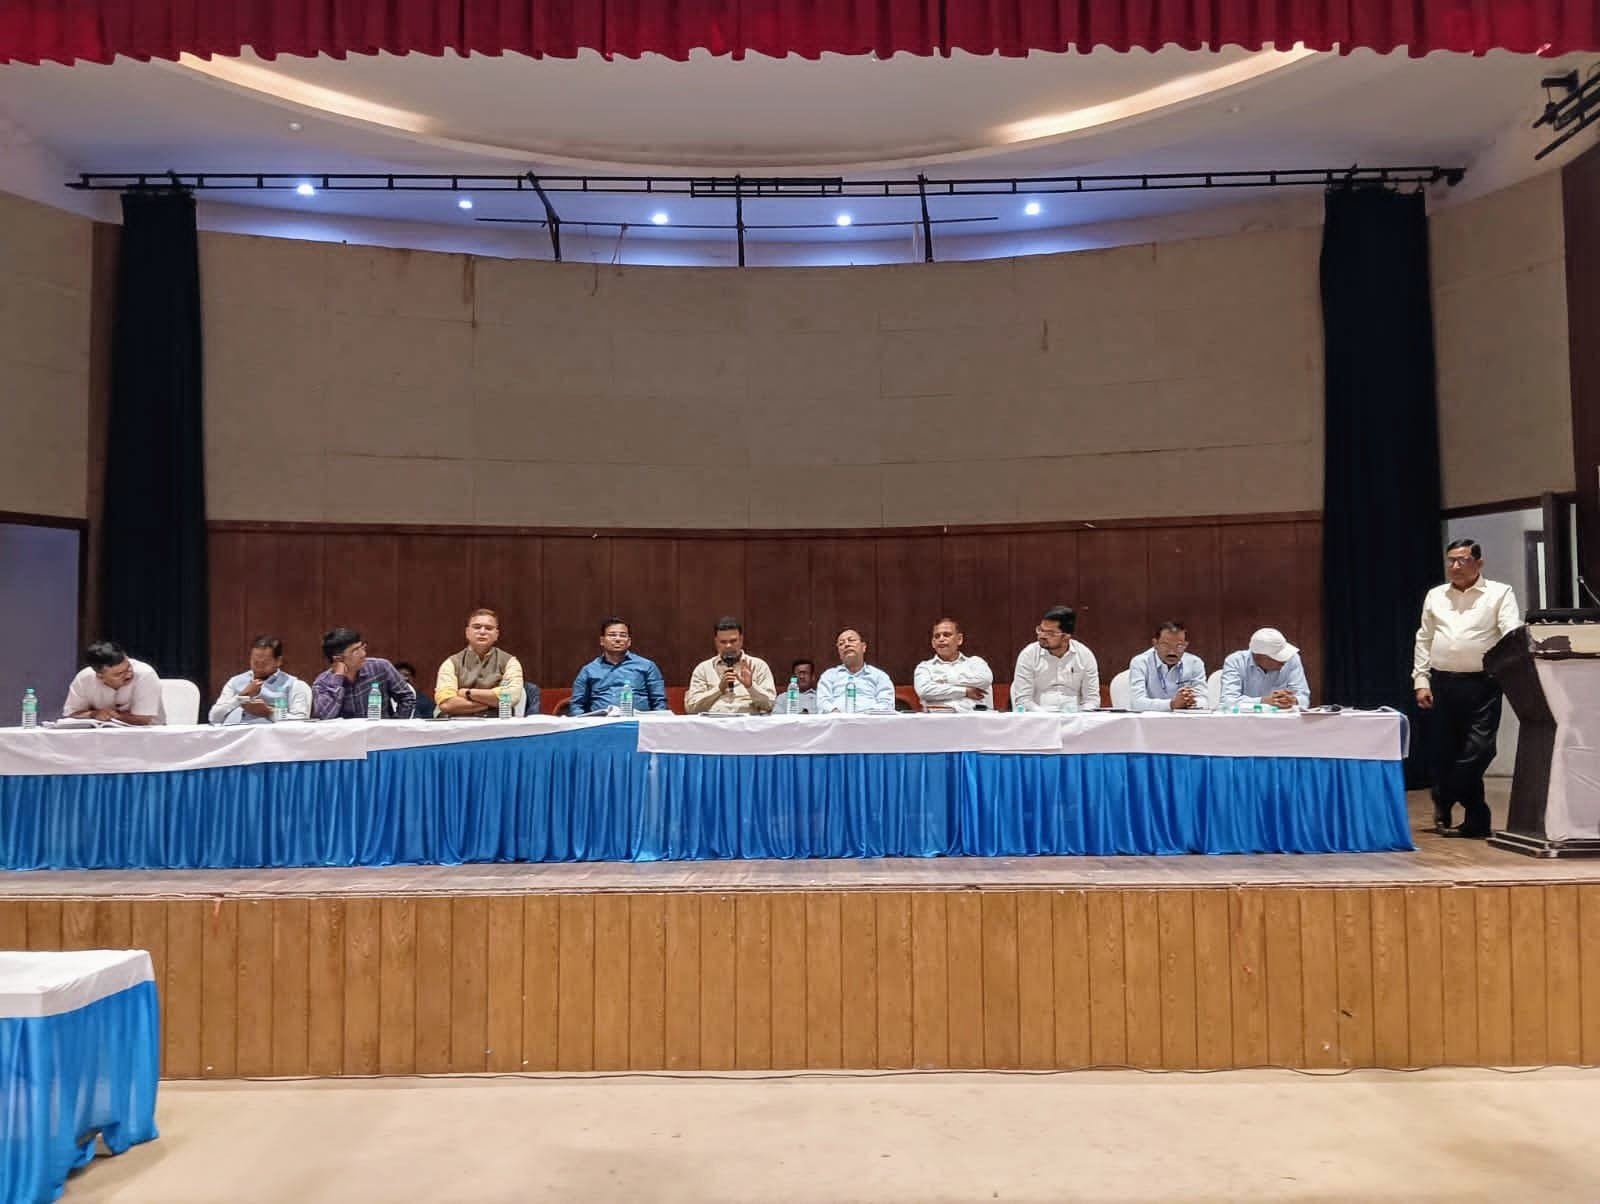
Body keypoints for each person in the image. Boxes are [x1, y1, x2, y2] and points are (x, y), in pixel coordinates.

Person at [1413, 537, 1522, 838]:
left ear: (1479, 563)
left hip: (1483, 683)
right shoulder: (1436, 595)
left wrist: (1513, 668)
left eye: (1462, 560)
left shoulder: (1499, 593)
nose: (1455, 566)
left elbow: (1511, 633)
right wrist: (1421, 680)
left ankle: (1444, 793)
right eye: (1451, 560)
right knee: (1445, 751)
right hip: (1443, 682)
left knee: (1479, 750)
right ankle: (1476, 820)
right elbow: (1424, 638)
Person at [433, 609, 527, 718]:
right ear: (467, 632)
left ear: (496, 634)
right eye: (477, 627)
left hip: (495, 722)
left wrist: (467, 693)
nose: (482, 632)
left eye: (488, 628)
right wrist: (491, 703)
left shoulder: (510, 662)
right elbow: (446, 704)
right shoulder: (451, 663)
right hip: (456, 722)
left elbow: (511, 697)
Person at [568, 617, 668, 715]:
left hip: (638, 721)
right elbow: (576, 704)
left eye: (623, 635)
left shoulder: (647, 666)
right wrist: (583, 723)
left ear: (629, 641)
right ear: (602, 640)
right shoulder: (589, 670)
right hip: (601, 722)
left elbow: (659, 701)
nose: (618, 639)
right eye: (612, 635)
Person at [311, 627, 417, 720]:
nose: (363, 654)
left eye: (362, 647)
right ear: (338, 659)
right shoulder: (322, 683)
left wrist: (393, 727)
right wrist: (338, 679)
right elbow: (325, 717)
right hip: (346, 736)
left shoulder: (380, 667)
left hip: (380, 733)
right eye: (356, 650)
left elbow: (407, 698)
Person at [1011, 605, 1099, 711]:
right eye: (1041, 630)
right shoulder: (1029, 655)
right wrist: (1048, 716)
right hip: (1038, 717)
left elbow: (1092, 700)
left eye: (1050, 633)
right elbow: (1023, 700)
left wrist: (1074, 714)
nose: (1042, 636)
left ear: (1066, 636)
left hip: (1075, 717)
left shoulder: (1085, 656)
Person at [209, 635, 311, 725]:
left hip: (273, 738)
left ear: (278, 661)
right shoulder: (235, 682)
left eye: (264, 663)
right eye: (255, 662)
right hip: (236, 735)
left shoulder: (294, 685)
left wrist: (269, 712)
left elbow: (300, 722)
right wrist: (241, 697)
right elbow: (214, 718)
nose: (258, 667)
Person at [684, 616, 776, 715]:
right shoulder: (703, 669)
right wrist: (719, 689)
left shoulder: (758, 666)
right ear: (716, 642)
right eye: (723, 642)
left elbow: (769, 705)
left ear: (741, 640)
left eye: (733, 641)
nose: (728, 646)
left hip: (748, 721)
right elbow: (691, 708)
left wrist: (750, 686)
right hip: (713, 722)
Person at [63, 640, 165, 725]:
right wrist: (94, 714)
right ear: (100, 677)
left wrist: (112, 715)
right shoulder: (84, 678)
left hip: (147, 735)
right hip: (98, 735)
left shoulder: (145, 674)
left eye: (129, 667)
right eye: (119, 674)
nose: (128, 675)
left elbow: (142, 720)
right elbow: (71, 714)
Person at [1218, 628, 1311, 711]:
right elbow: (1227, 702)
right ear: (1257, 656)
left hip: (1283, 721)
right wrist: (1264, 701)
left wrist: (1293, 700)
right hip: (1244, 721)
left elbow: (1303, 698)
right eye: (1278, 657)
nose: (1284, 661)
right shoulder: (1235, 661)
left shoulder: (1292, 658)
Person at [913, 617, 994, 711]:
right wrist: (965, 691)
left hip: (975, 717)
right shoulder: (924, 667)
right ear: (933, 643)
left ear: (959, 639)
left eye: (947, 635)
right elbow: (924, 691)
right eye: (937, 636)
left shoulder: (976, 662)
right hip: (938, 717)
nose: (941, 639)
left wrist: (943, 681)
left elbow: (985, 680)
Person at [1127, 620, 1208, 712]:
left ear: (1185, 645)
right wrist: (1172, 704)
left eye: (1179, 646)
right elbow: (1137, 703)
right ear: (1155, 644)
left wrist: (1189, 701)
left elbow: (1204, 702)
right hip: (1151, 719)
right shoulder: (1141, 662)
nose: (1172, 652)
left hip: (1184, 719)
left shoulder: (1195, 663)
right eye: (1165, 645)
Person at [816, 628, 895, 713]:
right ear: (839, 652)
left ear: (863, 647)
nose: (846, 644)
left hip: (871, 719)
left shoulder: (879, 676)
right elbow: (822, 702)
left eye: (851, 640)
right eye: (841, 643)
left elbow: (887, 703)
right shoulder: (829, 675)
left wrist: (866, 715)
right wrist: (837, 714)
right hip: (837, 719)